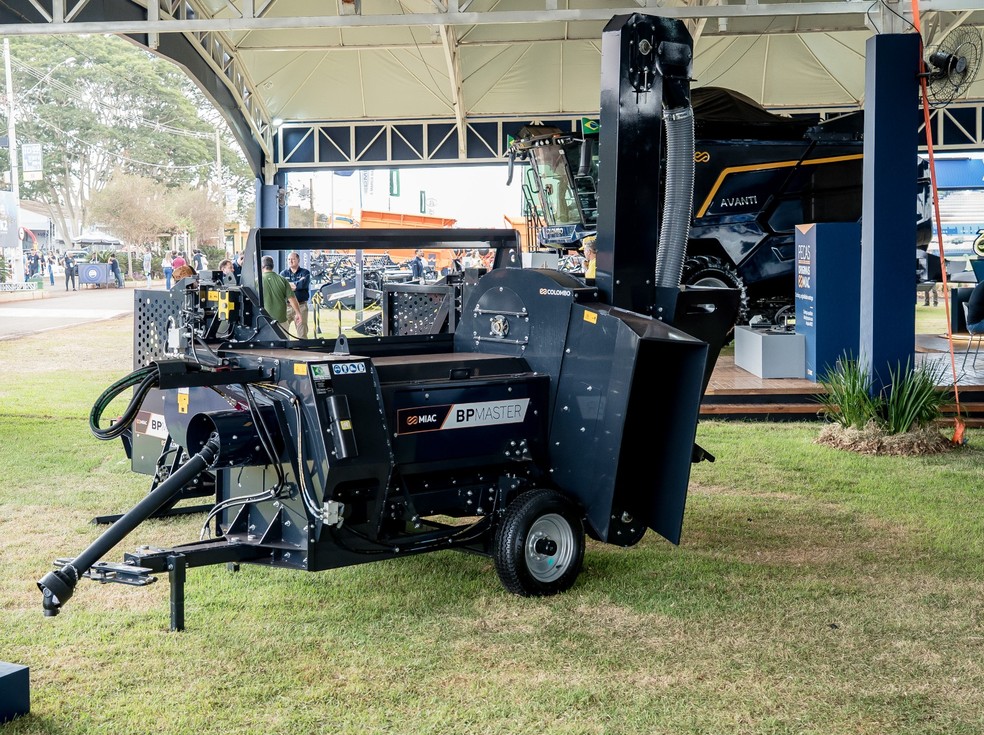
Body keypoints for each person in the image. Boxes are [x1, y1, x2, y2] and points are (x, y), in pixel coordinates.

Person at [261, 255, 303, 336]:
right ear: (272, 266)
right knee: (284, 345)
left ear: (262, 266)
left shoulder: (257, 281)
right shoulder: (282, 280)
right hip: (281, 320)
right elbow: (292, 299)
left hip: (263, 320)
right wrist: (298, 313)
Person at [280, 251, 311, 339]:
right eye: (289, 259)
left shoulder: (305, 273)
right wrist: (296, 284)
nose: (290, 261)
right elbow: (283, 287)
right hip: (287, 307)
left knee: (302, 332)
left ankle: (304, 350)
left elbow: (302, 285)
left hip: (301, 306)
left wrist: (289, 285)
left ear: (298, 260)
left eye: (293, 259)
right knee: (282, 331)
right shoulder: (283, 274)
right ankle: (285, 351)